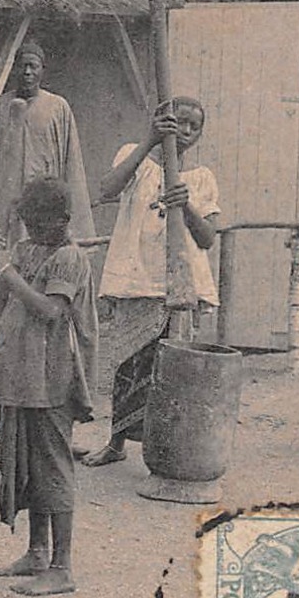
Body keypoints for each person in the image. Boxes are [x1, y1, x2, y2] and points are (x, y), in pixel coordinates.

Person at [84, 98, 220, 468]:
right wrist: (149, 140)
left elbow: (207, 238)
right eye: (180, 122)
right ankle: (116, 442)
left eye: (195, 126)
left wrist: (186, 205)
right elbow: (107, 189)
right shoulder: (136, 158)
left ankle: (166, 446)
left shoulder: (201, 178)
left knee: (171, 372)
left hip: (177, 288)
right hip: (136, 280)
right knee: (127, 365)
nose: (186, 131)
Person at [0, 178, 96, 597]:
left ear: (63, 221)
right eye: (28, 223)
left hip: (53, 377)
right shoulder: (27, 248)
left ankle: (62, 566)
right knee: (29, 464)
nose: (34, 231)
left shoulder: (70, 258)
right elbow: (0, 293)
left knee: (53, 464)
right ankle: (36, 551)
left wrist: (6, 272)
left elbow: (50, 310)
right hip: (20, 374)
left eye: (42, 223)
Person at [0, 41, 96, 251]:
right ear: (14, 68)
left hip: (45, 204)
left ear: (42, 70)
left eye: (33, 66)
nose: (27, 72)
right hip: (7, 207)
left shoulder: (57, 107)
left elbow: (72, 164)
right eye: (22, 66)